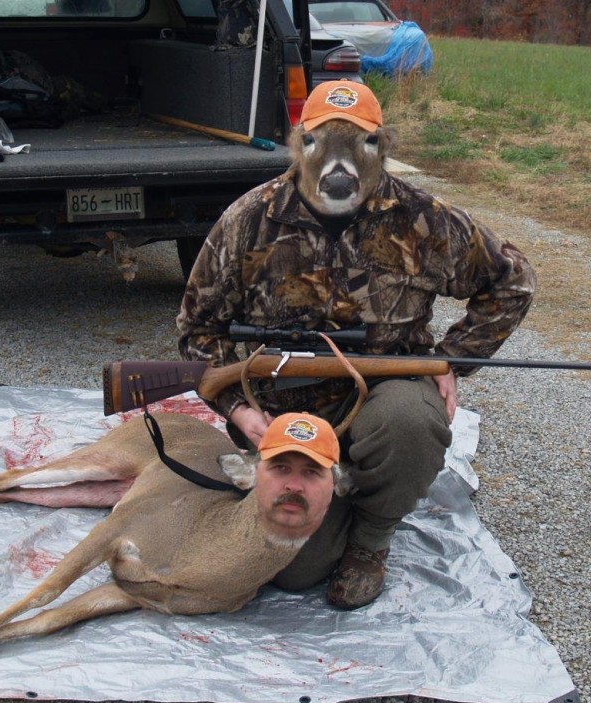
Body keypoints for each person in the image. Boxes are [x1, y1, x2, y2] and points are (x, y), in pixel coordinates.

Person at [177, 80, 537, 609]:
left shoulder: (424, 219)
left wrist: (451, 359)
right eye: (321, 143)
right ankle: (334, 496)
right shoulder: (249, 220)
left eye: (362, 145)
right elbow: (197, 331)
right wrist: (239, 412)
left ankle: (371, 541)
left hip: (382, 395)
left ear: (383, 150)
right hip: (283, 421)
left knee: (414, 422)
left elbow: (512, 282)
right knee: (295, 575)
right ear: (298, 146)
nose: (339, 164)